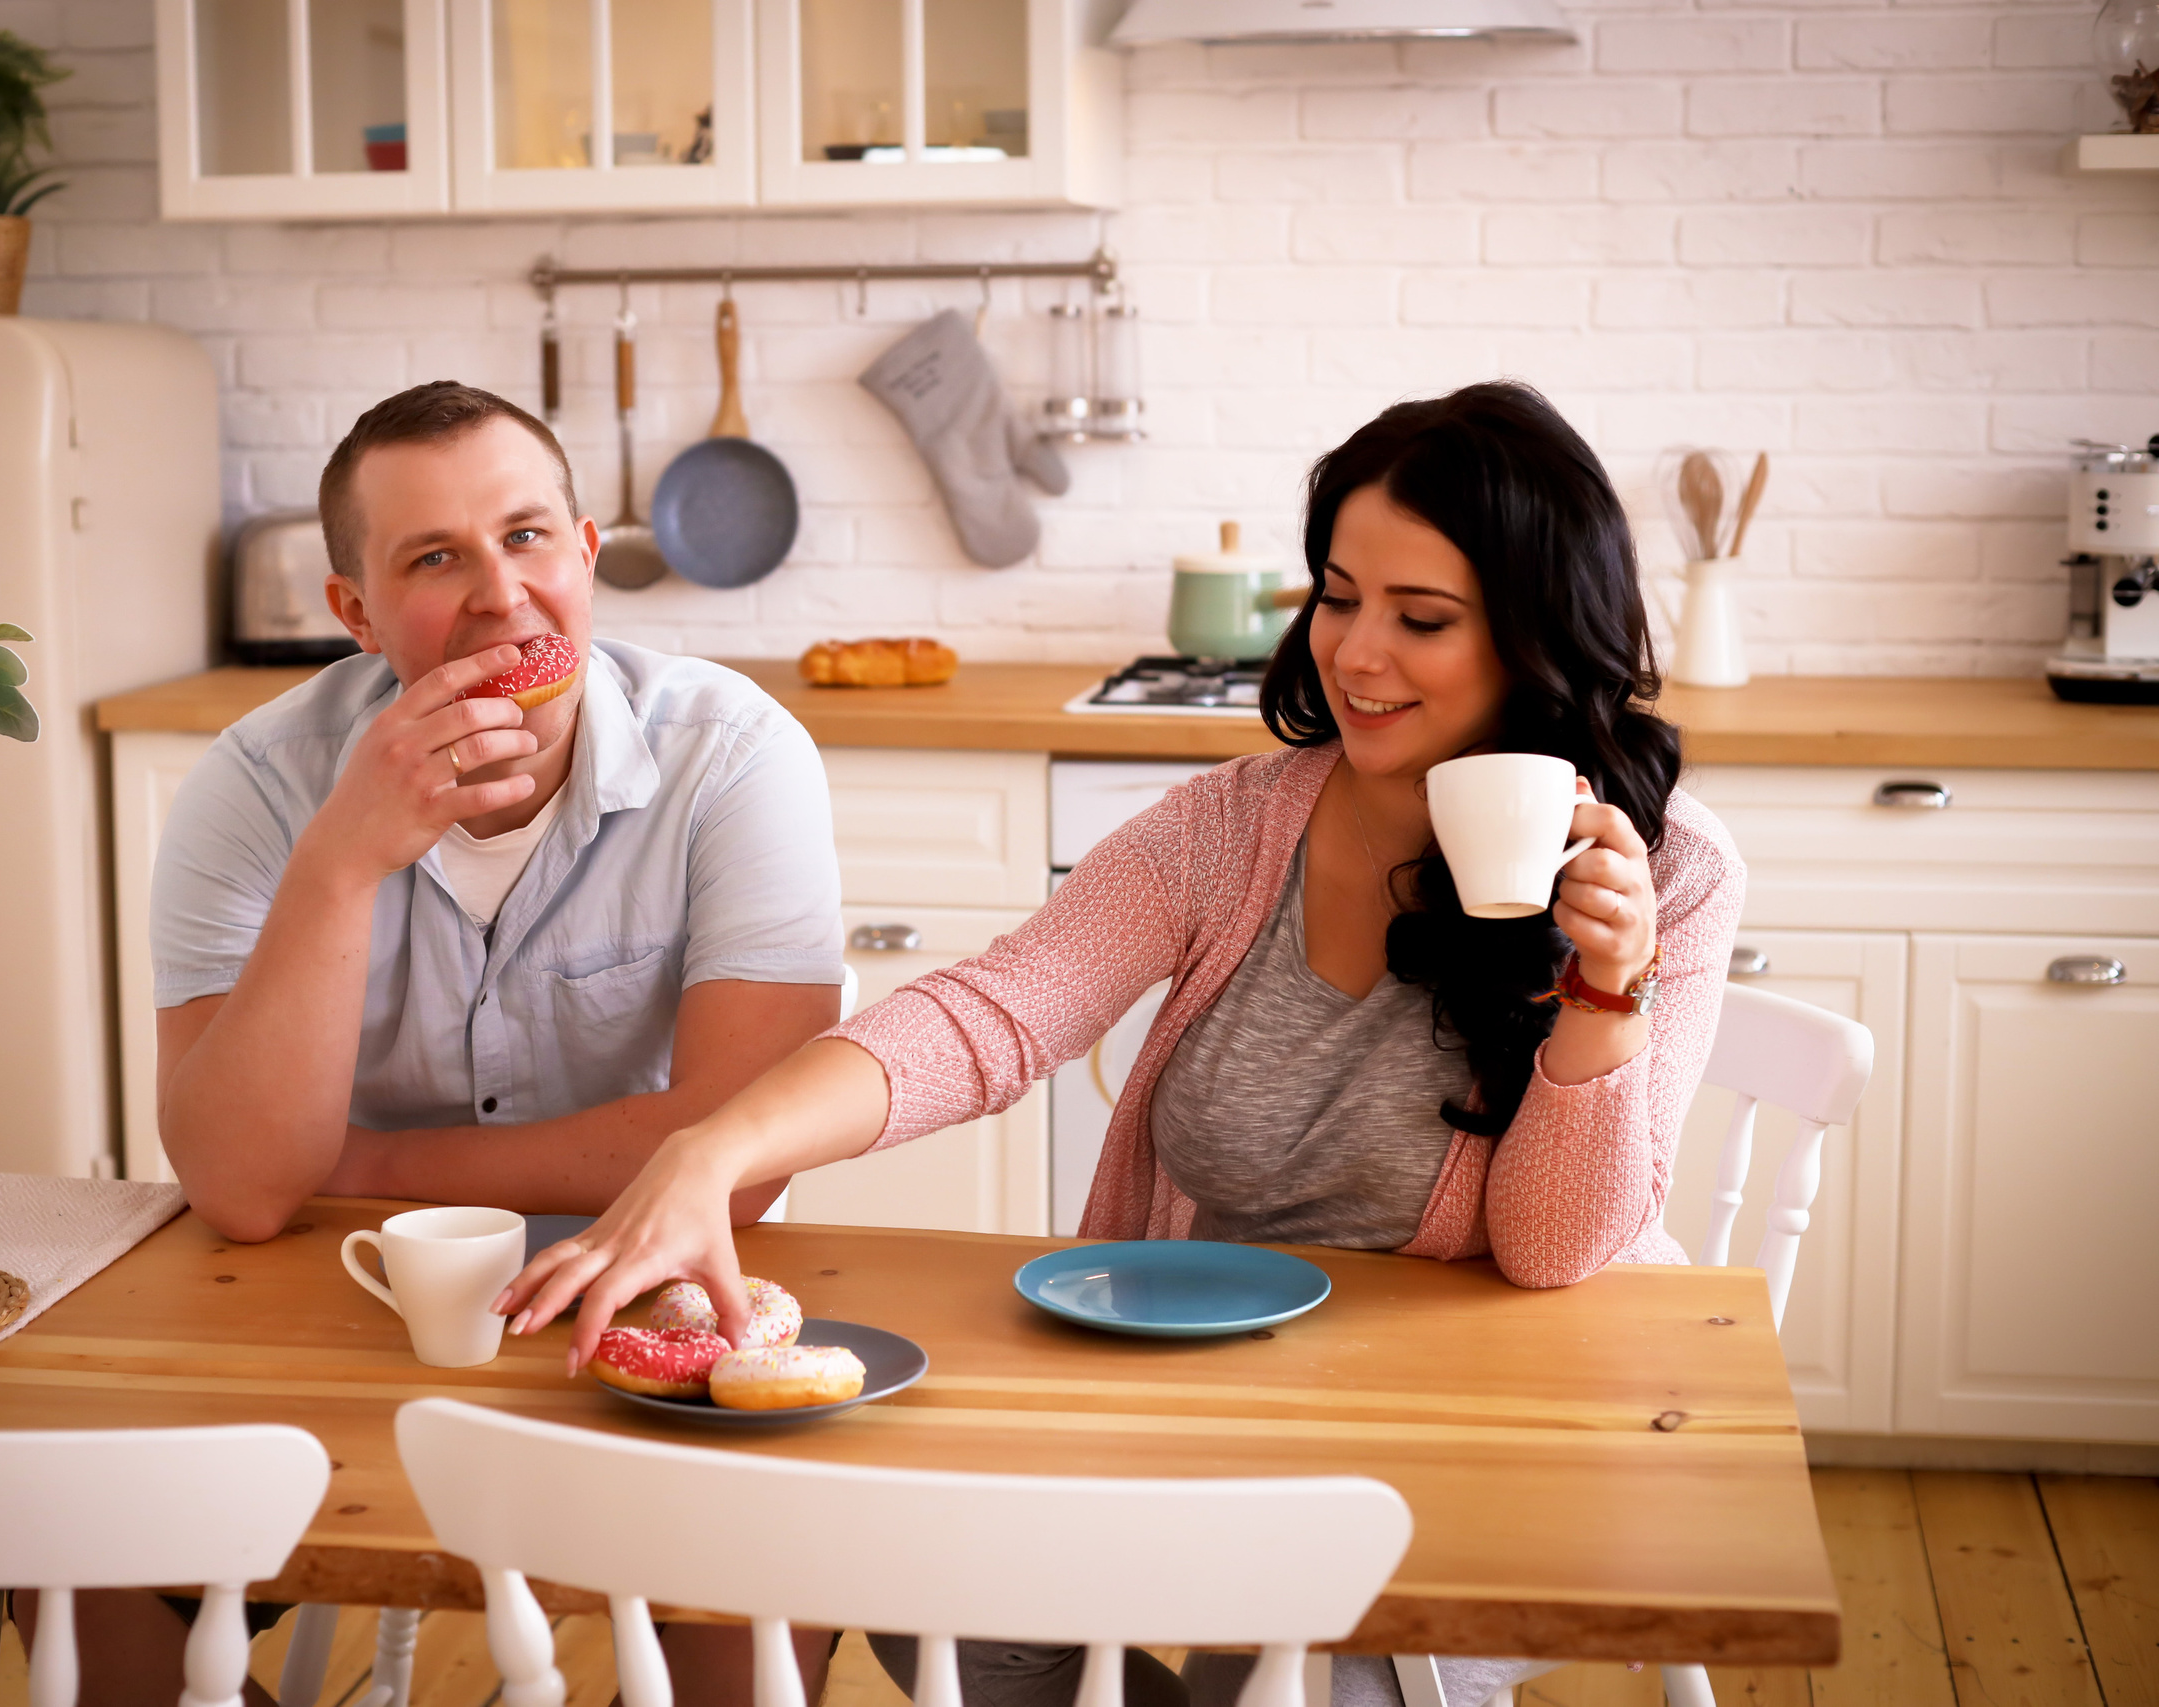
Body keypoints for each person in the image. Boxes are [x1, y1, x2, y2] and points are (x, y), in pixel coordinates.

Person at [495, 381, 1746, 1707]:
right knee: (917, 1583)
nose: (1356, 655)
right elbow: (994, 1013)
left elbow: (1556, 1252)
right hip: (1223, 1405)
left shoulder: (1668, 872)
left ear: (1536, 638)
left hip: (1493, 1431)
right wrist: (715, 1146)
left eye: (1421, 619)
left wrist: (1606, 1002)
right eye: (1336, 597)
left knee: (1274, 1681)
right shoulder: (1228, 828)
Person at [17, 381, 849, 1707]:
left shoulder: (737, 759)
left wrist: (373, 1169)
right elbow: (240, 1187)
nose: (500, 597)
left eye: (526, 538)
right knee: (77, 1541)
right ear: (352, 612)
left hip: (651, 1294)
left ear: (585, 549)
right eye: (433, 559)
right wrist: (343, 861)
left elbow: (730, 1162)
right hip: (331, 1308)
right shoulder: (253, 786)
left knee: (767, 1566)